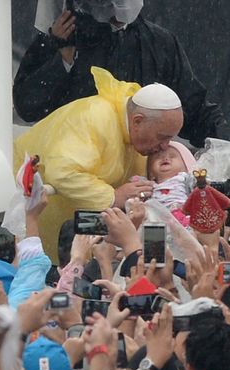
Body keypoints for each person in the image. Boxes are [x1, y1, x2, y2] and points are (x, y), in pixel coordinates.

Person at [13, 1, 230, 164]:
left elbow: (195, 110)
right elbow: (28, 105)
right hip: (77, 177)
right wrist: (60, 57)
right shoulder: (63, 37)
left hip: (139, 183)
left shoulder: (157, 42)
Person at [14, 66, 182, 263]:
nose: (164, 147)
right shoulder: (94, 117)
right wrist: (113, 196)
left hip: (80, 237)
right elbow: (63, 172)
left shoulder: (134, 128)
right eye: (162, 138)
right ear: (137, 121)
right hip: (29, 223)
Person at [146, 140, 196, 225]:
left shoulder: (184, 178)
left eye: (172, 156)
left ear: (185, 166)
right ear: (151, 173)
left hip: (181, 212)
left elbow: (197, 185)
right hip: (155, 217)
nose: (165, 158)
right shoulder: (149, 185)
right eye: (158, 157)